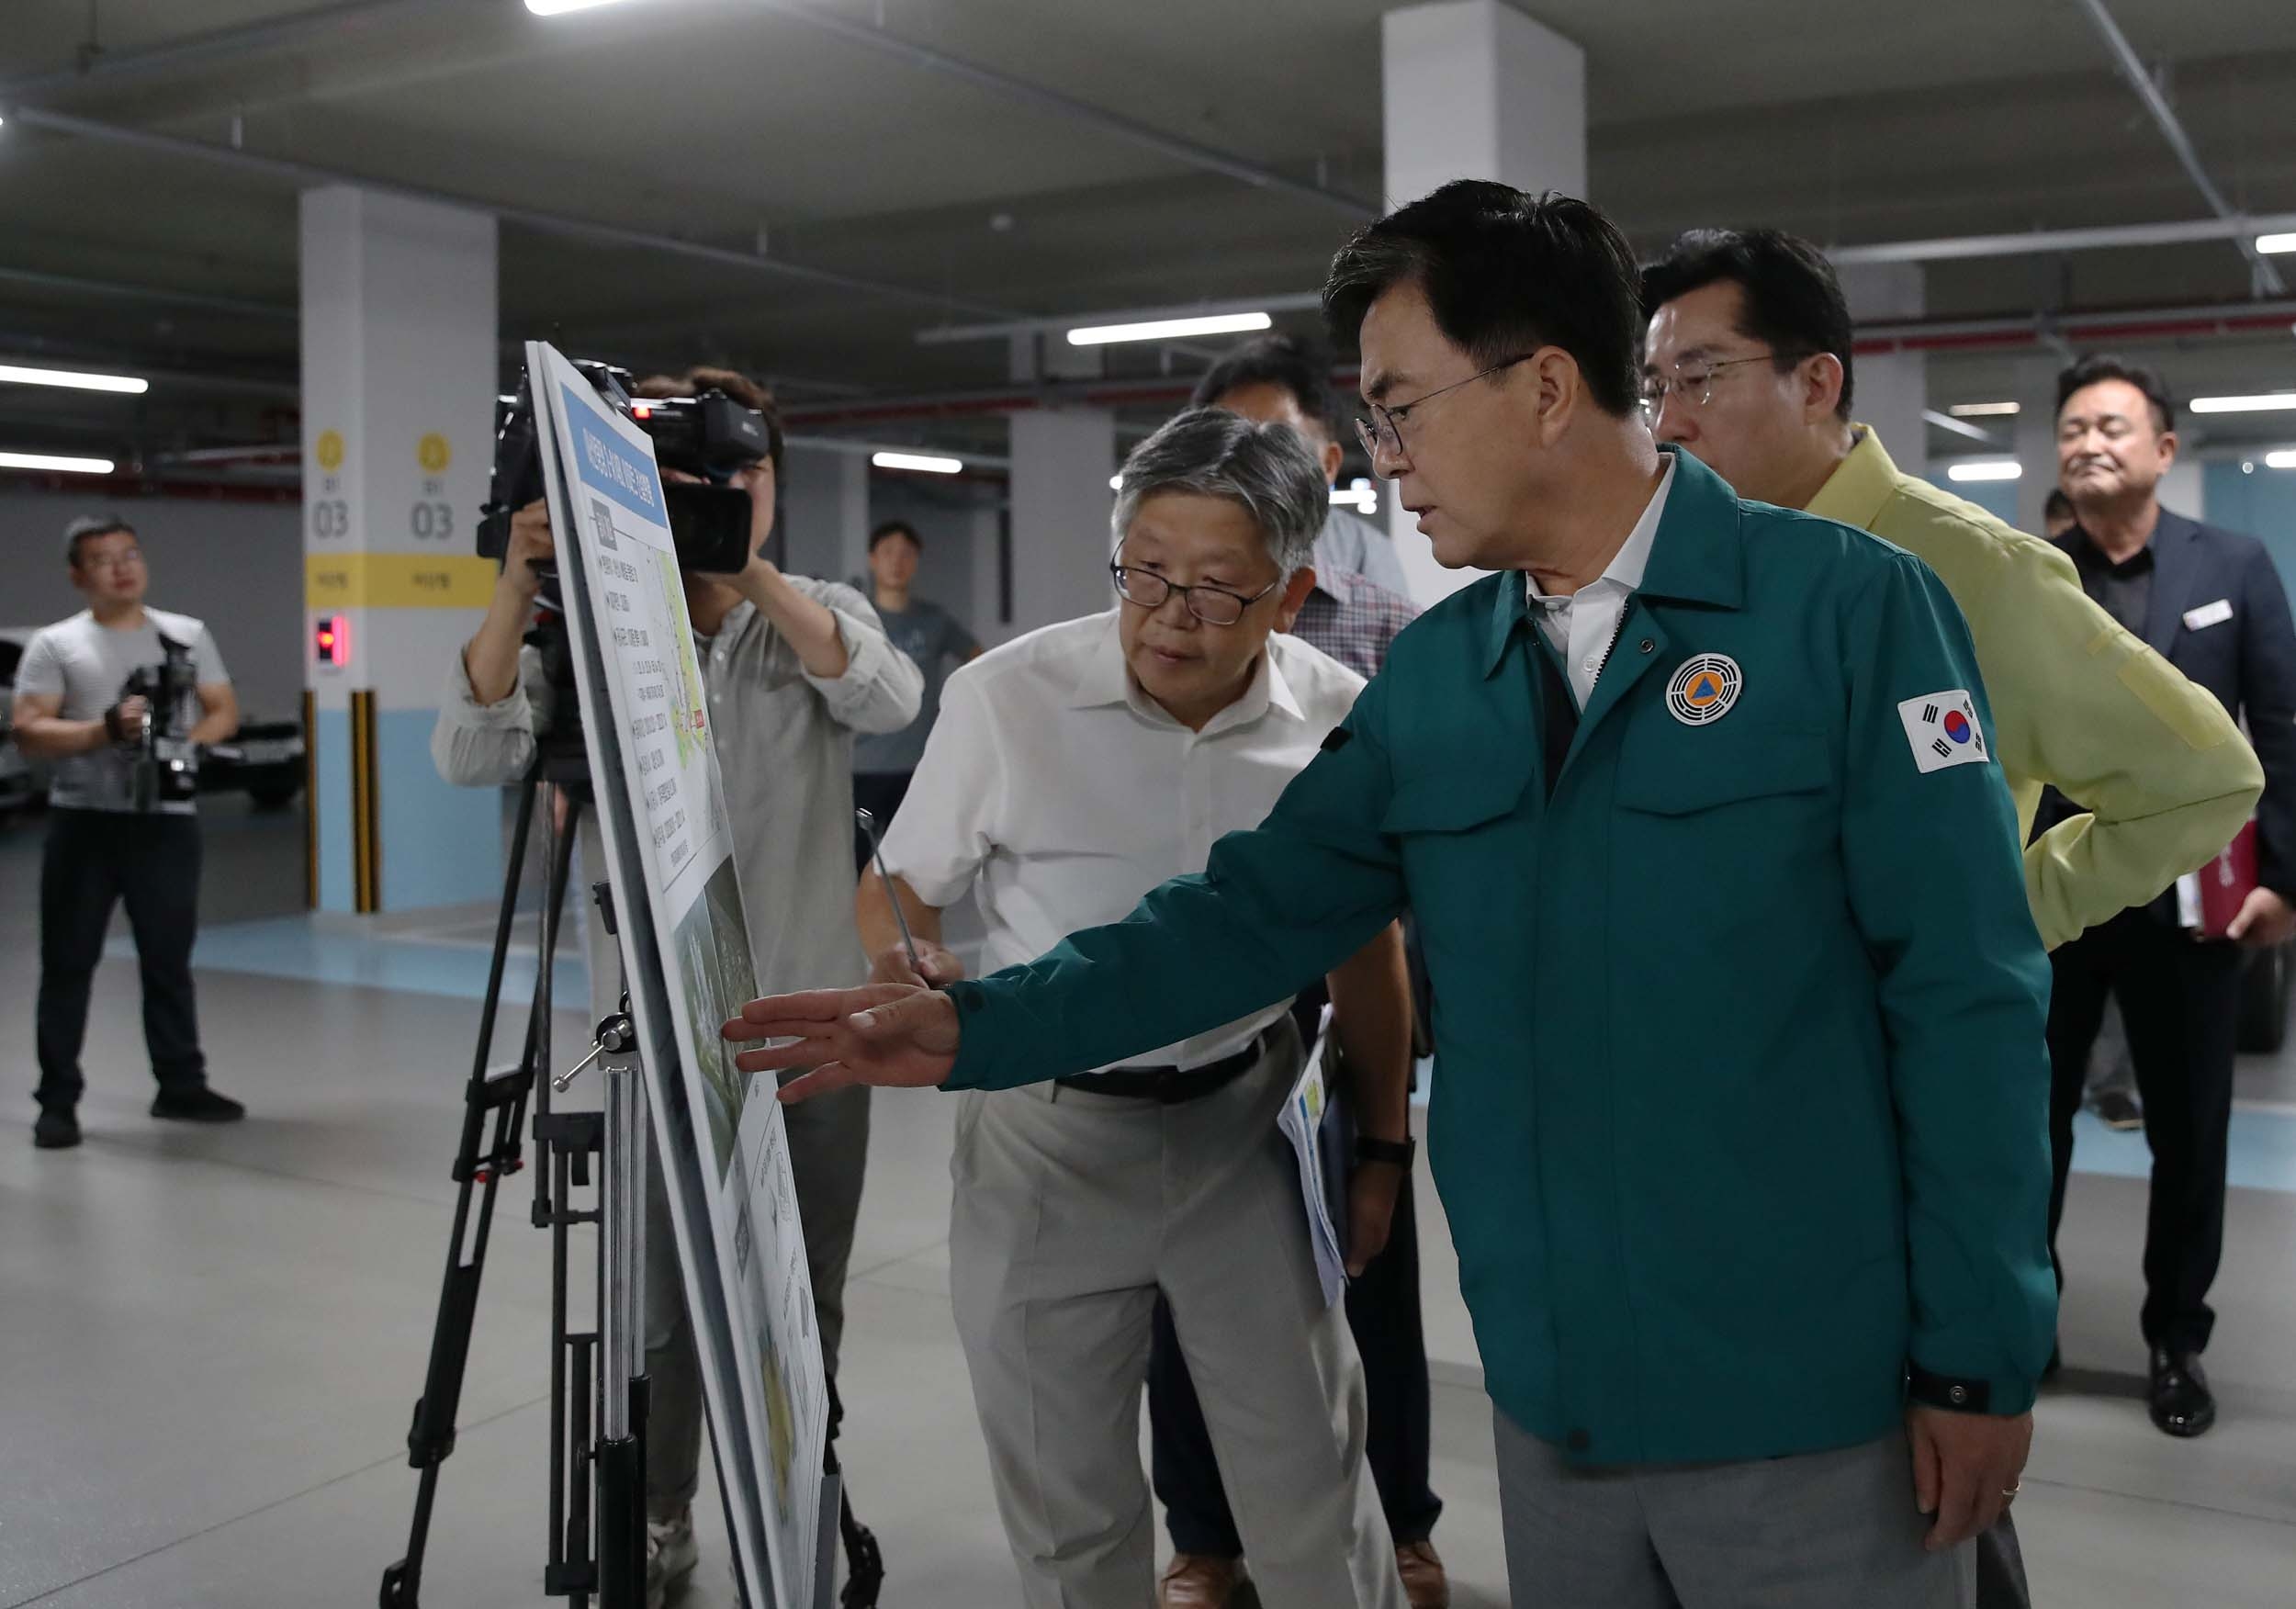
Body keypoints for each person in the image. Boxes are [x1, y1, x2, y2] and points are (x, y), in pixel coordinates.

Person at [731, 185, 2060, 1609]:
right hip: (1557, 1410)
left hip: (1808, 1410)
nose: (1382, 464)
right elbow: (1246, 919)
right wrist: (983, 1023)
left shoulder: (1850, 615)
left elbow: (1967, 998)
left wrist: (1981, 1353)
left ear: (1546, 388)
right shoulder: (1445, 678)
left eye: (1399, 409)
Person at [1639, 231, 2261, 1605]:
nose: (1666, 420)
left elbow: (2202, 776)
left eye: (1697, 377)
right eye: (1652, 389)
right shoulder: (1689, 575)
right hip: (1742, 1104)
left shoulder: (1965, 568)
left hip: (1900, 1096)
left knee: (1928, 1474)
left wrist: (2009, 909)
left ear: (1816, 381)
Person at [847, 408, 1412, 1609]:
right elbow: (899, 890)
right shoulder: (1009, 700)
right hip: (1044, 1141)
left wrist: (1383, 1145)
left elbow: (1366, 943)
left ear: (1292, 591)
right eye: (1145, 575)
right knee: (1067, 1505)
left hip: (1245, 1130)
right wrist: (913, 967)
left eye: (1215, 589)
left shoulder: (1337, 718)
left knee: (1310, 1479)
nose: (1168, 616)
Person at [430, 365, 922, 1607]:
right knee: (656, 1318)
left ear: (773, 488)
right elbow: (467, 748)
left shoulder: (811, 608)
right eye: (685, 480)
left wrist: (741, 565)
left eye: (739, 477)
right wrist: (519, 579)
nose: (715, 496)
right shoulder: (594, 626)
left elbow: (888, 695)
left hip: (814, 1025)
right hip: (651, 1034)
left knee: (803, 1297)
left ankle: (796, 1483)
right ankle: (656, 1514)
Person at [1144, 388, 1435, 1605]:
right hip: (1199, 982)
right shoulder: (1167, 595)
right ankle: (1207, 1536)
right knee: (1188, 1285)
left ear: (1327, 455)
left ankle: (1400, 1519)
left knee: (1369, 1262)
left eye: (1271, 442)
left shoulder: (1382, 600)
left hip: (1343, 986)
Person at [2041, 354, 2296, 1439]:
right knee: (2022, 1127)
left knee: (2188, 1136)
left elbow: (2283, 729)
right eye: (2070, 429)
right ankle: (2018, 1322)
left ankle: (2174, 1341)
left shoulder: (2231, 565)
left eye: (2110, 425)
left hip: (2193, 910)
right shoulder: (2027, 573)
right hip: (2050, 906)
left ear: (2161, 450)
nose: (2086, 443)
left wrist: (2286, 877)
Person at [15, 514, 245, 1150]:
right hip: (85, 823)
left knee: (168, 960)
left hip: (166, 827)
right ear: (78, 575)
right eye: (104, 559)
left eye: (130, 554)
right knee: (69, 962)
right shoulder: (57, 645)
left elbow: (222, 707)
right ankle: (57, 1100)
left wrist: (184, 748)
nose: (122, 567)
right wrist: (103, 731)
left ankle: (180, 1083)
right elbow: (30, 728)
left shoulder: (186, 634)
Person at [1191, 333, 1414, 599]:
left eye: (1278, 446)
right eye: (1226, 445)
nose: (1248, 469)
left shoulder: (1368, 560)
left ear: (1328, 464)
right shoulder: (1171, 561)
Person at [850, 518, 980, 872]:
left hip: (920, 765)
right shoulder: (855, 619)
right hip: (863, 765)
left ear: (916, 561)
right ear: (872, 559)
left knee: (913, 865)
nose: (897, 561)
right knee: (861, 863)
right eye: (888, 552)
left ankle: (903, 927)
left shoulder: (933, 621)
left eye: (906, 553)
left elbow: (978, 660)